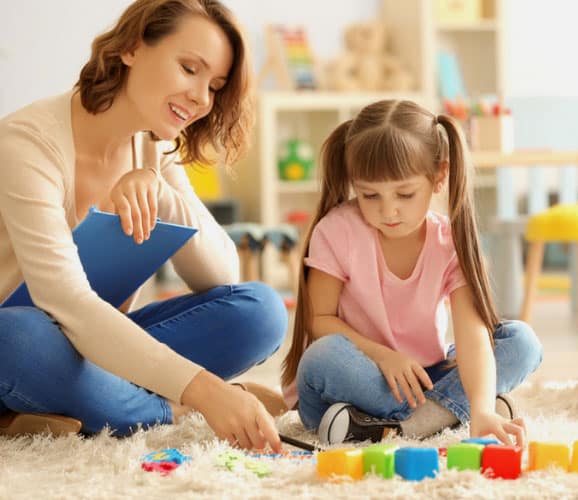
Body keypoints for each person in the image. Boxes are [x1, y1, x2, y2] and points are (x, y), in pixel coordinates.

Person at [0, 0, 287, 452]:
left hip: (95, 348)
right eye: (189, 68)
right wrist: (205, 392)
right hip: (25, 343)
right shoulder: (27, 143)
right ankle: (170, 410)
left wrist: (163, 195)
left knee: (260, 310)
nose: (201, 98)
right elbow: (66, 302)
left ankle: (77, 407)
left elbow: (220, 277)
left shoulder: (156, 144)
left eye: (214, 85)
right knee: (16, 336)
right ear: (132, 48)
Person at [280, 100, 543, 446]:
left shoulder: (449, 240)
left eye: (405, 194)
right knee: (320, 358)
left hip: (425, 376)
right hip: (360, 377)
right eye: (369, 194)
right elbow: (321, 320)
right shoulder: (337, 230)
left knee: (521, 342)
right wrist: (384, 356)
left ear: (439, 177)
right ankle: (443, 416)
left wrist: (482, 410)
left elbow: (472, 333)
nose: (388, 210)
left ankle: (398, 427)